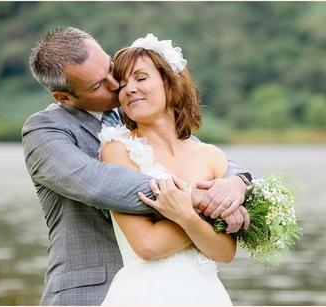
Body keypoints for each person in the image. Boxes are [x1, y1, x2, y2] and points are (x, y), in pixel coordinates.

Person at [22, 26, 252, 305]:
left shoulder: (137, 108)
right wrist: (198, 199)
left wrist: (236, 183)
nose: (116, 84)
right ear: (64, 97)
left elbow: (203, 156)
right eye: (98, 85)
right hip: (88, 293)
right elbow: (98, 183)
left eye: (111, 69)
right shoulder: (45, 131)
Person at [98, 34, 240, 305]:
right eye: (122, 84)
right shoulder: (117, 150)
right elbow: (147, 246)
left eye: (140, 78)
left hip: (206, 294)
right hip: (147, 293)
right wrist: (204, 214)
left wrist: (184, 214)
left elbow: (224, 252)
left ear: (170, 83)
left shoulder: (211, 156)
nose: (129, 89)